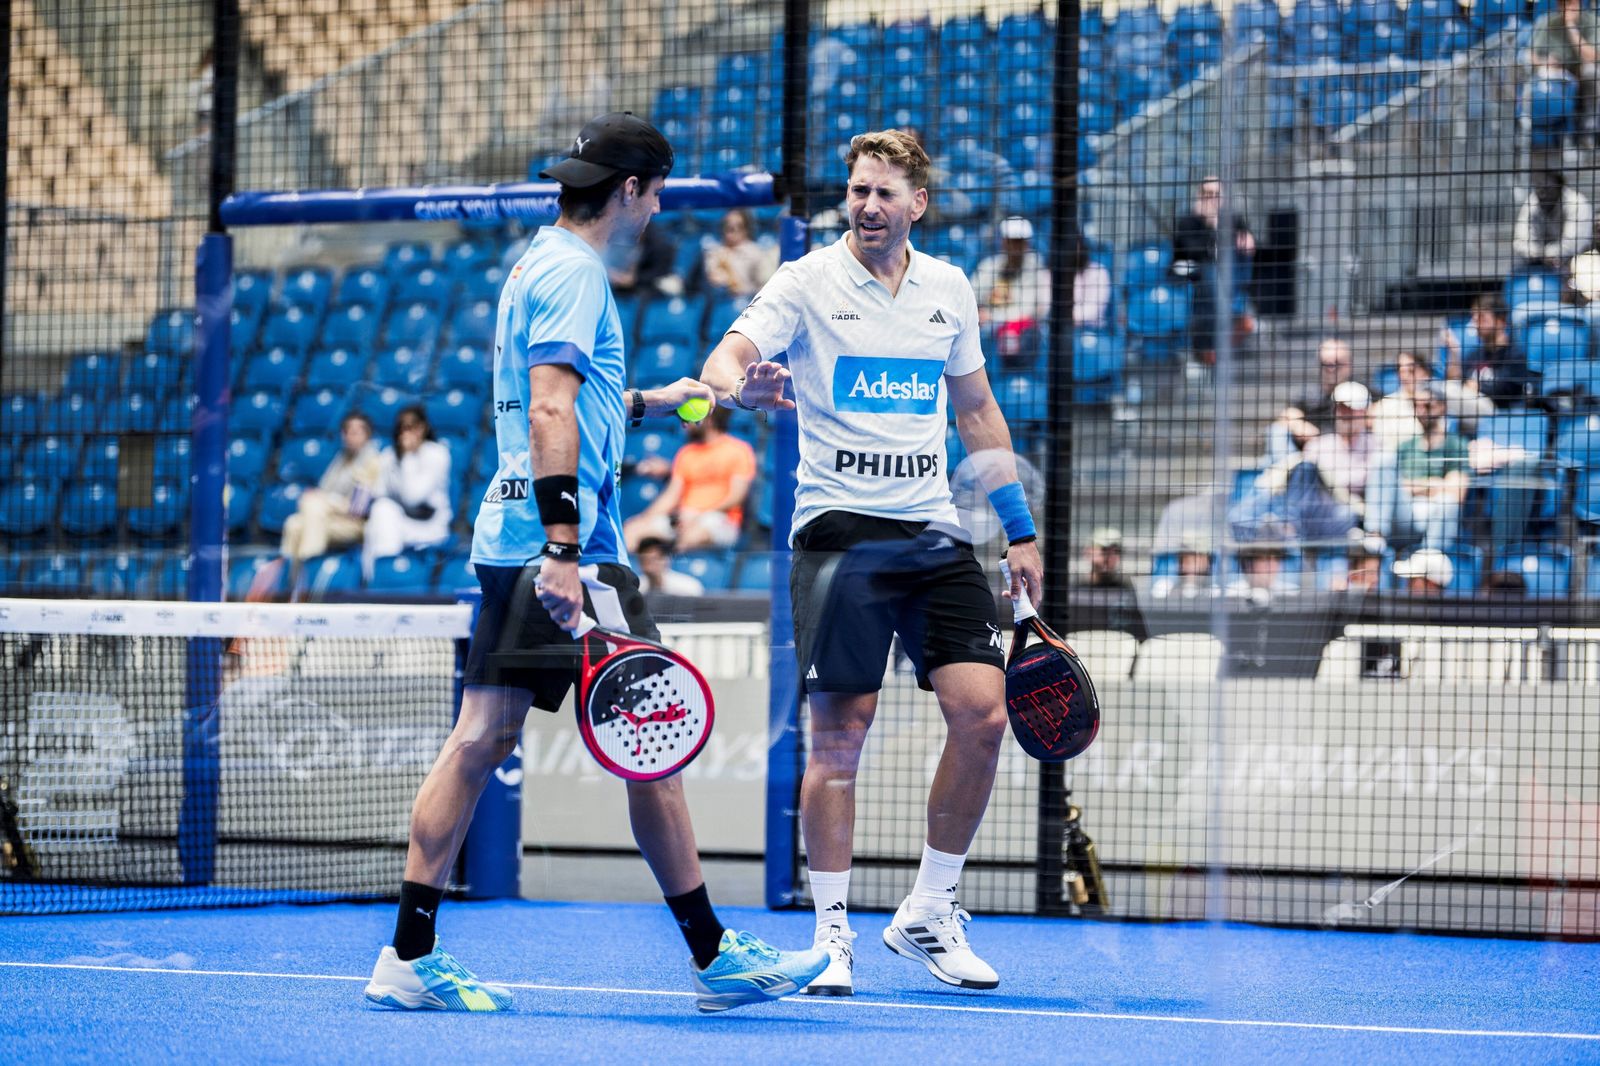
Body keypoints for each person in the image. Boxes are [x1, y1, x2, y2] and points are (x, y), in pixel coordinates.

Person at [364, 112, 827, 1015]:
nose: (656, 209)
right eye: (655, 192)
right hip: (572, 552)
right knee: (651, 742)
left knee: (480, 738)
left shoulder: (541, 261)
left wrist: (665, 400)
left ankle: (408, 956)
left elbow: (574, 401)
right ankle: (713, 956)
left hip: (509, 537)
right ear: (631, 191)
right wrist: (567, 552)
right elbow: (547, 413)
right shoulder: (578, 275)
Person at [698, 128, 1045, 997]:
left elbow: (977, 415)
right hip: (838, 535)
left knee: (984, 715)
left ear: (917, 204)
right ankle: (830, 935)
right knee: (839, 742)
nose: (868, 204)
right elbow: (725, 358)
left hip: (931, 532)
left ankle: (928, 911)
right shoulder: (806, 280)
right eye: (857, 190)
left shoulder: (949, 289)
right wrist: (741, 384)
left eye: (885, 192)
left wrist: (1019, 528)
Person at [623, 406, 756, 553]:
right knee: (632, 530)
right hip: (683, 519)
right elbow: (671, 496)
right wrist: (644, 519)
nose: (685, 423)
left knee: (694, 533)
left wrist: (698, 513)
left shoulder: (739, 450)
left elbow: (736, 497)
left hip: (720, 520)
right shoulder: (686, 453)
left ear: (708, 418)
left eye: (691, 417)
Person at [279, 411, 383, 582]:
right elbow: (323, 488)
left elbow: (358, 508)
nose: (350, 436)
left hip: (356, 524)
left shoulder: (373, 461)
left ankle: (308, 575)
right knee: (293, 524)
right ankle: (288, 583)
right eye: (347, 432)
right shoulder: (341, 458)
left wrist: (326, 502)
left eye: (356, 432)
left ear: (367, 435)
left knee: (314, 504)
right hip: (329, 519)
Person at [1365, 383, 1469, 552]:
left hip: (1435, 514)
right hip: (1404, 514)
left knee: (1448, 501)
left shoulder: (1456, 444)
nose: (1421, 412)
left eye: (1428, 406)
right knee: (1383, 458)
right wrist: (1434, 484)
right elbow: (1392, 486)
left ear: (1443, 407)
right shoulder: (1406, 445)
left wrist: (1412, 485)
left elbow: (1457, 492)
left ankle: (1428, 561)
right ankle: (1375, 534)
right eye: (1416, 406)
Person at [361, 405, 453, 580]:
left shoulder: (437, 453)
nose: (408, 432)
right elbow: (379, 491)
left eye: (413, 426)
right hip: (399, 520)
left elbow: (413, 497)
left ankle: (387, 578)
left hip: (429, 524)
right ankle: (375, 580)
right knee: (379, 514)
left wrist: (408, 456)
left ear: (424, 427)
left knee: (384, 515)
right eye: (403, 427)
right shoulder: (389, 455)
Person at [1172, 176, 1255, 364]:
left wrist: (1244, 237)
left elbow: (1245, 241)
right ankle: (1232, 316)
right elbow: (1192, 250)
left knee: (1224, 270)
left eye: (1216, 194)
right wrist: (1212, 227)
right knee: (1210, 271)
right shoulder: (1189, 220)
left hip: (1227, 277)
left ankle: (1225, 327)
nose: (1211, 199)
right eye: (1207, 194)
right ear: (1199, 196)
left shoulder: (1233, 219)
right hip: (1193, 275)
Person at [972, 216, 1052, 367]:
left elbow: (1034, 311)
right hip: (990, 331)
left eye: (1020, 241)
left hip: (1025, 332)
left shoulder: (1037, 266)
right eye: (1011, 241)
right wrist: (978, 312)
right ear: (1003, 241)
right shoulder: (990, 266)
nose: (1015, 246)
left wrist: (993, 317)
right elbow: (970, 297)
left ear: (1027, 243)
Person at [1267, 338, 1355, 461]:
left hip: (1347, 455)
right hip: (1311, 454)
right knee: (1277, 431)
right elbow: (1288, 414)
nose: (1331, 369)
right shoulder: (1310, 394)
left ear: (1348, 365)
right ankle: (1282, 473)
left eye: (1337, 363)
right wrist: (1299, 425)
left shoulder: (1361, 391)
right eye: (1325, 364)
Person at [1443, 292, 1535, 407]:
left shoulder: (1515, 355)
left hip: (1500, 414)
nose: (1475, 323)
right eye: (1474, 318)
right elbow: (1457, 382)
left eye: (1481, 317)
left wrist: (1478, 388)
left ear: (1501, 321)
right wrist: (1454, 352)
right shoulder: (1474, 355)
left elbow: (1507, 391)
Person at [1529, 0, 1600, 140]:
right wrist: (1545, 62)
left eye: (1571, 3)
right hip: (1558, 74)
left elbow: (1594, 57)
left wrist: (1571, 27)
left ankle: (1590, 128)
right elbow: (1531, 55)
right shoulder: (1547, 21)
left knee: (1592, 72)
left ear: (1579, 4)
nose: (1567, 8)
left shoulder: (1592, 21)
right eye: (1563, 4)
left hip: (1582, 72)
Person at [1303, 381, 1377, 505]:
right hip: (1321, 509)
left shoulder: (1376, 446)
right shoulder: (1317, 446)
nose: (1345, 414)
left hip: (1357, 510)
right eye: (1340, 408)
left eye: (1351, 409)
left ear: (1364, 412)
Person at [1512, 171, 1593, 271]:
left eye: (1547, 189)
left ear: (1559, 188)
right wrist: (1541, 255)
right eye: (1539, 188)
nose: (1542, 194)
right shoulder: (1533, 200)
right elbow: (1520, 241)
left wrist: (1545, 254)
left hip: (1574, 263)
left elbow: (1574, 245)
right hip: (1537, 262)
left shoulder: (1577, 203)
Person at [1368, 351, 1433, 455]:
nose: (1405, 376)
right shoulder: (1384, 406)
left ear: (1425, 373)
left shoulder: (1437, 404)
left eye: (1411, 370)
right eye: (1401, 371)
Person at [702, 208, 773, 298]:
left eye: (738, 226)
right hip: (722, 302)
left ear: (746, 229)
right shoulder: (714, 252)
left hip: (749, 301)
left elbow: (764, 285)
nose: (733, 229)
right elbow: (713, 279)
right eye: (728, 226)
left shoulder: (755, 252)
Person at [608, 219, 679, 297]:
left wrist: (634, 279)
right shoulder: (631, 244)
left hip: (652, 287)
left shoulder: (660, 247)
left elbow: (659, 272)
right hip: (631, 286)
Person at [635, 536, 706, 596]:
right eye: (645, 560)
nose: (650, 564)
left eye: (655, 558)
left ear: (666, 560)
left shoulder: (688, 588)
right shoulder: (637, 589)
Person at [1073, 239, 1112, 331]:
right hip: (1065, 328)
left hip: (1093, 329)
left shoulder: (1099, 271)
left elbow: (1094, 310)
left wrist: (1067, 316)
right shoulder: (1059, 273)